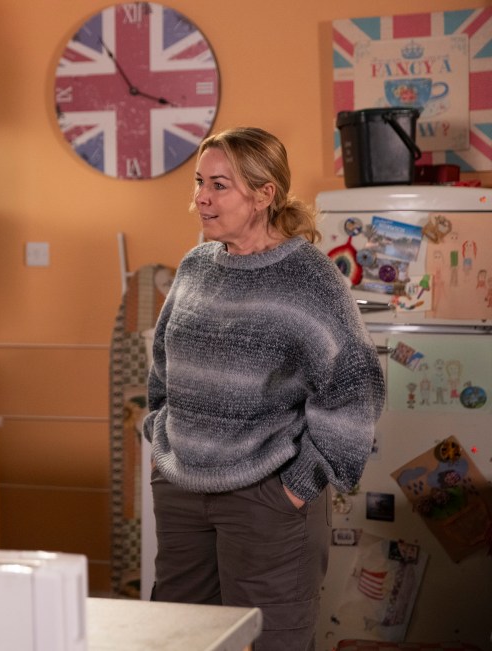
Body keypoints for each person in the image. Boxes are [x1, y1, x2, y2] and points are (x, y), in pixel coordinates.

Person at [143, 127, 385, 650]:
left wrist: (297, 485)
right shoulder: (195, 266)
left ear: (264, 194)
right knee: (179, 640)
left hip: (265, 499)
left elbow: (354, 389)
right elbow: (163, 364)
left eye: (220, 185)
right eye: (199, 183)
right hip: (183, 492)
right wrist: (161, 436)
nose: (201, 198)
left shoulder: (309, 279)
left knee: (267, 642)